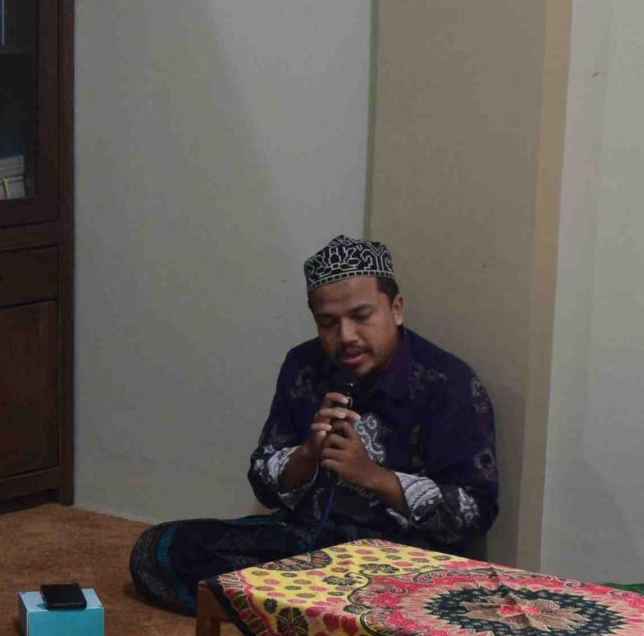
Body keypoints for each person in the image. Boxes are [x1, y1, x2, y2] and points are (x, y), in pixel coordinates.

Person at [132, 235, 499, 613]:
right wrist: (306, 455)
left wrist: (374, 477)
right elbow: (263, 482)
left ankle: (297, 614)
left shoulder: (449, 383)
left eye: (361, 316)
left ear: (397, 309)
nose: (346, 337)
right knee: (158, 550)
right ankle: (317, 615)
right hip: (305, 546)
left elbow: (476, 513)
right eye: (328, 323)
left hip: (402, 561)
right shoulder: (303, 366)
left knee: (442, 602)